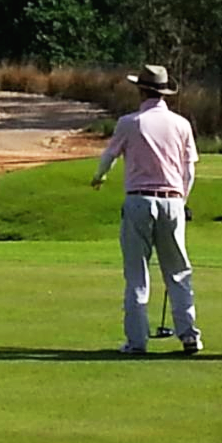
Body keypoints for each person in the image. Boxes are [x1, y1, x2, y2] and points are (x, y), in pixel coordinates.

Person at [92, 64, 202, 355]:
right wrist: (182, 200)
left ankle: (137, 341)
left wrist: (99, 176)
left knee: (136, 274)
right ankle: (189, 336)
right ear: (164, 92)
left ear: (141, 90)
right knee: (178, 272)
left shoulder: (130, 122)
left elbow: (110, 155)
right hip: (173, 200)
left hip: (139, 200)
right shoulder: (182, 124)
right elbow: (189, 170)